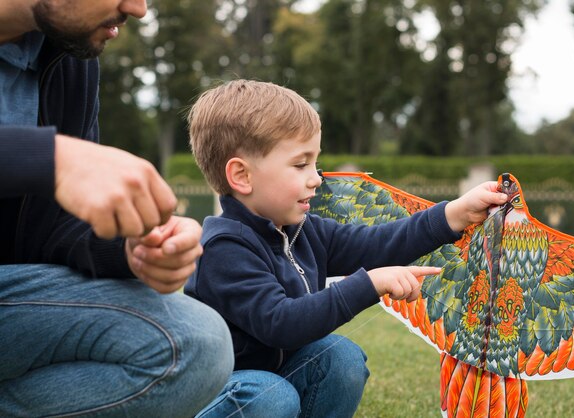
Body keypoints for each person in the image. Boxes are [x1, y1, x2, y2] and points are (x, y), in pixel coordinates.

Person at [184, 79, 509, 417]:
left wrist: (455, 214)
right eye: (300, 164)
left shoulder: (301, 231)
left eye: (315, 163)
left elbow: (376, 244)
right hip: (225, 390)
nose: (316, 178)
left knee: (339, 357)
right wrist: (369, 284)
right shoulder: (224, 247)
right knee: (271, 396)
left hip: (273, 378)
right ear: (242, 176)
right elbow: (281, 323)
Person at [0, 1, 233, 416]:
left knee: (194, 342)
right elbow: (55, 165)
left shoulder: (67, 53)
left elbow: (52, 229)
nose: (138, 9)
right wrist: (50, 158)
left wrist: (129, 247)